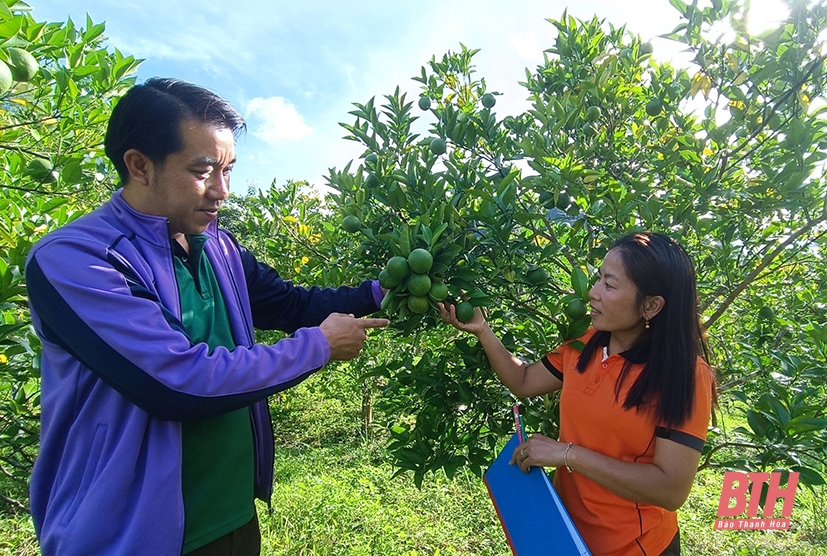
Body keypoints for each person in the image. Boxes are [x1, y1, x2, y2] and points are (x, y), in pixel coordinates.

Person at [25, 77, 389, 556]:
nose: (222, 191)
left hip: (232, 519)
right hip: (129, 535)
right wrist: (318, 346)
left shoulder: (217, 246)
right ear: (139, 165)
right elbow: (176, 381)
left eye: (228, 170)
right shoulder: (77, 260)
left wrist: (384, 291)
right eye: (203, 172)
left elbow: (290, 305)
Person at [439, 232, 715, 556]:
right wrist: (483, 331)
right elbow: (524, 380)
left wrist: (567, 454)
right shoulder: (588, 342)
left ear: (651, 306)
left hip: (633, 547)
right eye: (598, 279)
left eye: (609, 285)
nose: (593, 294)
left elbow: (670, 489)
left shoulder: (683, 374)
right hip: (564, 534)